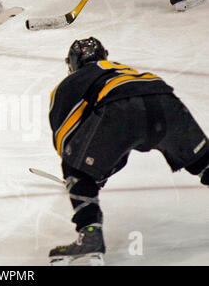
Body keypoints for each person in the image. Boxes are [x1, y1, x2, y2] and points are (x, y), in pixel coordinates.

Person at [48, 37, 209, 266]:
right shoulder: (120, 69)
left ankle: (90, 235)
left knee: (75, 168)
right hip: (163, 95)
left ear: (72, 64)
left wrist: (87, 175)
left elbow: (66, 140)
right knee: (203, 161)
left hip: (122, 107)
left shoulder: (70, 83)